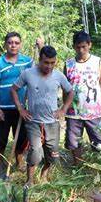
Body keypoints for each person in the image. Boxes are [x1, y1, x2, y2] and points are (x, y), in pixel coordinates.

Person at [11, 45, 74, 186]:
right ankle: (30, 180)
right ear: (40, 60)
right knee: (35, 150)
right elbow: (14, 89)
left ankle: (44, 174)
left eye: (52, 62)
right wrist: (21, 108)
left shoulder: (58, 75)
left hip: (52, 122)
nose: (49, 66)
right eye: (46, 62)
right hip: (33, 120)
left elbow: (70, 92)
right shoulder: (28, 73)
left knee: (52, 152)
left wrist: (63, 109)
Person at [0, 32, 34, 174]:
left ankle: (19, 160)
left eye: (16, 42)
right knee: (0, 137)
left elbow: (38, 72)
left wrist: (41, 47)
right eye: (10, 42)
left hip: (21, 107)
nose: (13, 45)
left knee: (21, 136)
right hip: (3, 107)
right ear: (5, 44)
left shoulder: (27, 62)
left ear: (20, 44)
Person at [64, 31, 101, 163]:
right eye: (78, 47)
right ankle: (78, 165)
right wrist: (66, 106)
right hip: (73, 112)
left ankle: (97, 165)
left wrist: (91, 99)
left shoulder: (98, 62)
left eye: (84, 46)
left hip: (93, 112)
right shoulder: (68, 64)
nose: (81, 50)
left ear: (89, 45)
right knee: (74, 142)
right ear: (73, 46)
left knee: (98, 140)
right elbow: (65, 88)